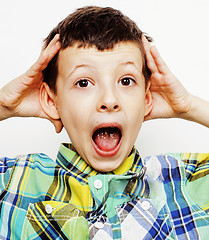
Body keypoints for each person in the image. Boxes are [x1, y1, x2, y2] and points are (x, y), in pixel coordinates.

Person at [0, 6, 209, 240]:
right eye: (83, 83)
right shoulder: (14, 181)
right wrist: (3, 105)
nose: (109, 100)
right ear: (51, 100)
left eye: (126, 80)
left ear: (146, 98)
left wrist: (189, 106)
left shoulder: (183, 182)